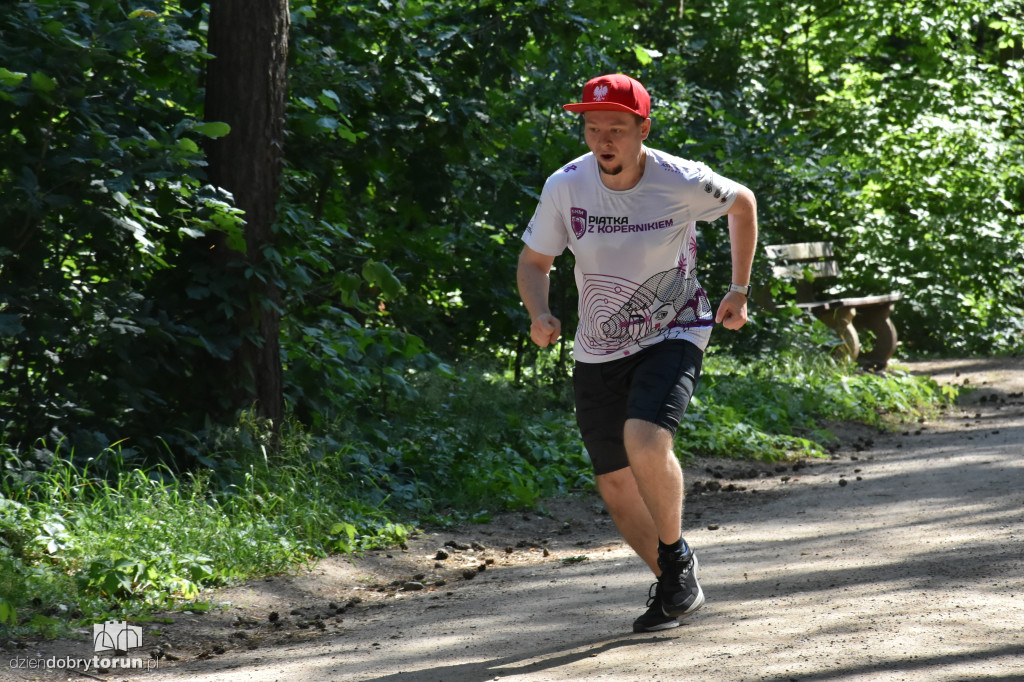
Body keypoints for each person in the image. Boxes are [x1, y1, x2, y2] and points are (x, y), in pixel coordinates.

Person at [516, 74, 757, 633]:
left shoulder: (679, 179)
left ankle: (673, 557)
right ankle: (677, 583)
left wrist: (739, 289)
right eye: (593, 127)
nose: (603, 139)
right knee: (615, 482)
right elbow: (534, 263)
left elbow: (742, 202)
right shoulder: (566, 186)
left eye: (617, 129)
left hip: (676, 324)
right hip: (599, 346)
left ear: (642, 130)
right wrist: (540, 313)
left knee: (644, 438)